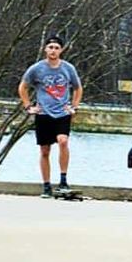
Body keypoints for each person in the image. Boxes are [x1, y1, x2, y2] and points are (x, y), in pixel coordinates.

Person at [18, 34, 83, 198]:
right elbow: (23, 87)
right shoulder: (36, 69)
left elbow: (77, 88)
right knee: (45, 150)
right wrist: (28, 107)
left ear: (61, 50)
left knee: (63, 141)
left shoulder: (68, 68)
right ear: (45, 49)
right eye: (50, 47)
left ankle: (63, 180)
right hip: (43, 113)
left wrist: (74, 106)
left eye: (56, 48)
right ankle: (46, 185)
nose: (53, 51)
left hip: (62, 113)